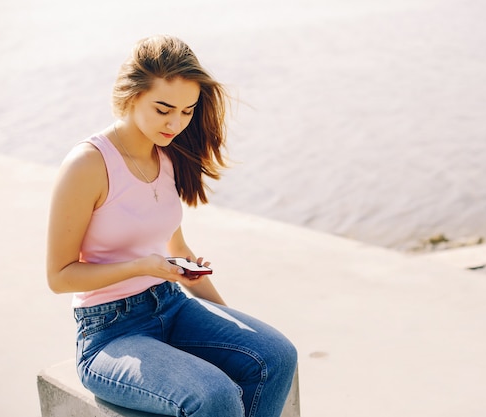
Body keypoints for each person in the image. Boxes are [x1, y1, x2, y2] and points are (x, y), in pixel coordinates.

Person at [46, 35, 298, 417]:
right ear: (131, 96)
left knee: (274, 355)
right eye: (163, 108)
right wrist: (141, 266)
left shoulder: (167, 156)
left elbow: (177, 249)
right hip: (110, 332)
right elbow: (60, 277)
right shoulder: (88, 164)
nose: (176, 123)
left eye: (187, 111)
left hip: (171, 304)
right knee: (214, 395)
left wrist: (234, 326)